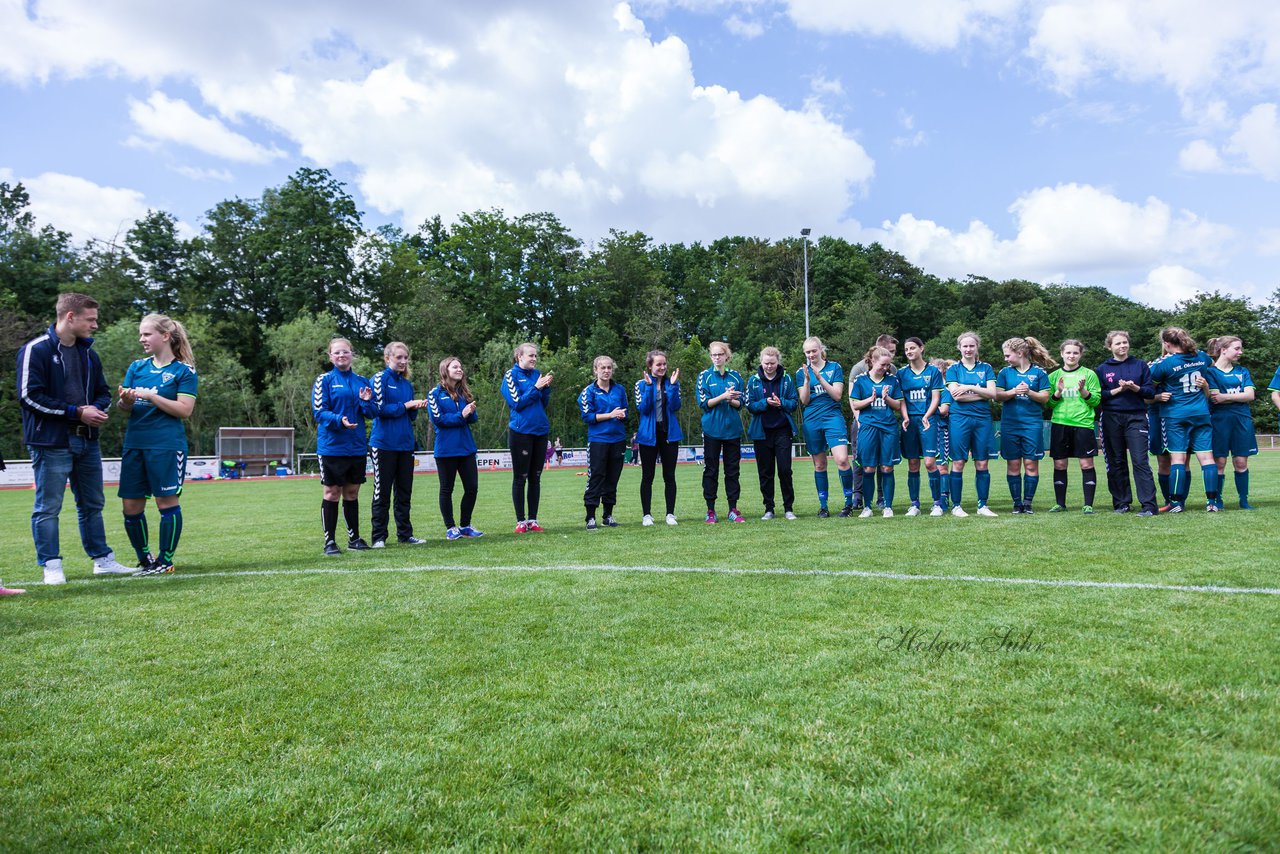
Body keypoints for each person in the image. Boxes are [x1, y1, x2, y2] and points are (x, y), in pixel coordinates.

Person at [16, 293, 131, 585]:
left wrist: (97, 410)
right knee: (48, 506)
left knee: (93, 503)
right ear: (70, 317)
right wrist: (76, 412)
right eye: (91, 319)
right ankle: (51, 565)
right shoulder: (36, 350)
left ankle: (102, 560)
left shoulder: (89, 354)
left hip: (88, 441)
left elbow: (103, 392)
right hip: (52, 442)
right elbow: (29, 396)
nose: (95, 325)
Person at [115, 314, 199, 575]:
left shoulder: (184, 371)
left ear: (165, 336)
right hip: (135, 443)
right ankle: (145, 559)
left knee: (166, 502)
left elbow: (184, 410)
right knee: (130, 505)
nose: (142, 339)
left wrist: (151, 397)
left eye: (146, 334)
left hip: (165, 445)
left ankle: (166, 561)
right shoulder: (137, 368)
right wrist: (127, 401)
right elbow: (123, 406)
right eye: (141, 334)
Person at [313, 336, 374, 556]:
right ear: (330, 356)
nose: (341, 355)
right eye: (337, 352)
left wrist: (366, 401)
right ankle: (329, 541)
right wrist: (340, 420)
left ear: (352, 354)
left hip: (356, 446)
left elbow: (371, 413)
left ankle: (354, 538)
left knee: (352, 492)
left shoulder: (362, 381)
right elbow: (319, 412)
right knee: (332, 492)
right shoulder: (325, 380)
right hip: (332, 447)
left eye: (345, 352)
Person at [1148, 327, 1218, 512]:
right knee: (1207, 458)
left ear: (1167, 344)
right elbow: (1211, 362)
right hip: (1201, 413)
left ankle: (1176, 503)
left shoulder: (1164, 364)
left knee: (1177, 459)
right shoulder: (1201, 356)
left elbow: (1149, 389)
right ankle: (1212, 502)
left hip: (1175, 415)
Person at [368, 342, 428, 548]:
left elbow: (409, 416)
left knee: (404, 492)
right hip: (383, 444)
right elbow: (378, 409)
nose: (403, 361)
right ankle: (378, 537)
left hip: (405, 445)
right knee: (382, 492)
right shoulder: (379, 379)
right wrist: (405, 405)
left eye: (405, 358)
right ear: (387, 358)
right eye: (398, 357)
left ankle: (405, 534)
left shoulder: (406, 384)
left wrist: (416, 407)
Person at [1096, 330, 1159, 517]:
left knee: (1140, 461)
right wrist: (1120, 389)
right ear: (1110, 347)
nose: (1122, 346)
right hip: (1111, 417)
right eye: (1118, 344)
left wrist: (1134, 387)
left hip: (1136, 417)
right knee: (1116, 461)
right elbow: (1100, 396)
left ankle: (1149, 506)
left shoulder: (1140, 365)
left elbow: (1149, 392)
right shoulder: (1102, 369)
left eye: (1124, 343)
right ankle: (1122, 503)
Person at [797, 336, 854, 518]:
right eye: (808, 352)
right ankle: (823, 506)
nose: (811, 354)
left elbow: (837, 395)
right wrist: (807, 380)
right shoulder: (801, 372)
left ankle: (848, 503)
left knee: (842, 459)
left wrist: (819, 377)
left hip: (832, 418)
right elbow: (804, 400)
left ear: (821, 349)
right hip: (812, 420)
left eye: (814, 350)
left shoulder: (834, 367)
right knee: (820, 464)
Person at [995, 337, 1054, 514]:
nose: (1005, 359)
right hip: (1009, 425)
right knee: (1013, 465)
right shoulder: (1005, 373)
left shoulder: (1039, 373)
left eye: (1008, 355)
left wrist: (1029, 391)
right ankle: (1016, 503)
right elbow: (997, 396)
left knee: (1030, 464)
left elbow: (1045, 398)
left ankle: (1027, 503)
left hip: (1032, 425)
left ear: (1019, 353)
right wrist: (1014, 392)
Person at [944, 332, 999, 517]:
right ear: (959, 347)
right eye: (965, 346)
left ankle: (982, 505)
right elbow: (955, 395)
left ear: (977, 347)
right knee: (958, 462)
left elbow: (992, 394)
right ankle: (957, 506)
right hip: (959, 418)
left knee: (982, 462)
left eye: (971, 346)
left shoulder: (986, 368)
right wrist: (981, 392)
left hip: (982, 419)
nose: (968, 349)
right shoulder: (953, 369)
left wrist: (968, 387)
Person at [429, 356, 483, 540]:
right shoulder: (434, 394)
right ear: (445, 370)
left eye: (460, 367)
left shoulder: (463, 393)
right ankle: (451, 527)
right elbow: (439, 420)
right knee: (446, 489)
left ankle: (466, 525)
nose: (460, 369)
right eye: (455, 367)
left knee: (472, 488)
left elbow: (472, 420)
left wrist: (471, 412)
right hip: (446, 450)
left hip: (466, 448)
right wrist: (462, 414)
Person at [501, 342, 552, 532]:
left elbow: (543, 403)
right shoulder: (510, 375)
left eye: (535, 356)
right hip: (521, 432)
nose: (534, 359)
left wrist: (545, 389)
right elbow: (516, 403)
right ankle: (520, 521)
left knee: (535, 477)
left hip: (540, 431)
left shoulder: (537, 374)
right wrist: (536, 388)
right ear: (519, 357)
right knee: (520, 477)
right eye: (531, 355)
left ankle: (533, 520)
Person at [1046, 340, 1102, 513]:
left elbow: (1096, 400)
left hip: (1083, 425)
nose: (1071, 356)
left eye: (1075, 353)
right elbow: (1048, 404)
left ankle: (1088, 505)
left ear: (1080, 355)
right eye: (1068, 352)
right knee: (1060, 465)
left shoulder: (1089, 374)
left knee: (1086, 465)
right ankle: (1060, 504)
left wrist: (1084, 391)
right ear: (1062, 354)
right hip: (1060, 424)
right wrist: (1057, 392)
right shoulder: (1053, 376)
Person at [850, 346, 904, 517]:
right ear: (872, 361)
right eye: (882, 365)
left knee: (887, 467)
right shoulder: (860, 380)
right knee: (868, 468)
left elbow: (898, 405)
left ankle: (888, 506)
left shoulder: (893, 381)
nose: (885, 368)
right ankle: (867, 507)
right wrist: (870, 399)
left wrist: (887, 398)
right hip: (867, 428)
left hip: (888, 428)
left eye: (888, 365)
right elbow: (855, 404)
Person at [746, 346, 798, 520]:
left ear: (778, 362)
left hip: (783, 430)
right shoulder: (753, 381)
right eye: (766, 363)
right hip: (762, 432)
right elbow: (750, 406)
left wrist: (780, 402)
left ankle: (788, 508)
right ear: (761, 362)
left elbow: (793, 403)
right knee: (765, 472)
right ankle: (769, 508)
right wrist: (765, 403)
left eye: (773, 363)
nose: (769, 366)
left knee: (784, 470)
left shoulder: (787, 378)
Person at [1206, 336, 1258, 509]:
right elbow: (1214, 398)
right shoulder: (1210, 372)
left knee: (1241, 462)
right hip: (1219, 421)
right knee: (1220, 462)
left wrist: (1225, 396)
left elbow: (1250, 395)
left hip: (1242, 420)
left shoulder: (1242, 371)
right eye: (1237, 348)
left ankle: (1244, 500)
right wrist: (1237, 397)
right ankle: (1217, 500)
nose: (1240, 352)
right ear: (1223, 350)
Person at [697, 341, 746, 523]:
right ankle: (711, 510)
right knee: (711, 471)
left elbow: (742, 403)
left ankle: (733, 509)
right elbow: (704, 403)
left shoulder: (736, 377)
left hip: (732, 431)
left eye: (720, 354)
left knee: (733, 471)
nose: (717, 358)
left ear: (727, 356)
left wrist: (731, 399)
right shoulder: (704, 376)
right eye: (713, 355)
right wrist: (723, 396)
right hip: (711, 431)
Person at [579, 355, 629, 529]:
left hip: (618, 440)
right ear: (596, 370)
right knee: (596, 477)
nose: (607, 371)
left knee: (612, 479)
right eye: (603, 368)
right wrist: (610, 415)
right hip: (598, 440)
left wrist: (622, 415)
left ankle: (608, 515)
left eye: (609, 368)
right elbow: (587, 417)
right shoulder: (588, 392)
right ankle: (590, 517)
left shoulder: (620, 390)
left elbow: (625, 413)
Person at [897, 338, 944, 516]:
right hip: (910, 422)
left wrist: (926, 415)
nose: (909, 351)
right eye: (906, 349)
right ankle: (914, 504)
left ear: (921, 348)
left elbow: (936, 398)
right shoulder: (901, 374)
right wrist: (905, 416)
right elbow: (901, 399)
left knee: (930, 462)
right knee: (913, 463)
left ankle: (937, 503)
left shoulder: (933, 372)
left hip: (928, 420)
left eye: (912, 348)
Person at [635, 350, 682, 526]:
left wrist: (674, 386)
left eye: (664, 364)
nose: (662, 367)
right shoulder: (641, 384)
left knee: (669, 476)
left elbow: (676, 406)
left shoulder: (672, 383)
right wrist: (648, 387)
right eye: (658, 364)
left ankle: (670, 514)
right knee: (647, 476)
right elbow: (644, 409)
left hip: (669, 434)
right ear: (650, 366)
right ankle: (647, 515)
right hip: (648, 436)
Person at [930, 357, 954, 512]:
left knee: (942, 466)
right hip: (927, 430)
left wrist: (925, 409)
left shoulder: (946, 389)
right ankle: (936, 499)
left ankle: (944, 498)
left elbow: (944, 410)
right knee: (929, 466)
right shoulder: (927, 388)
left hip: (942, 429)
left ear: (943, 371)